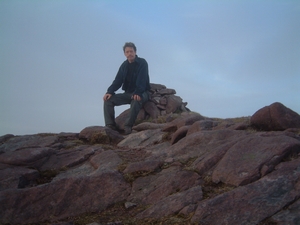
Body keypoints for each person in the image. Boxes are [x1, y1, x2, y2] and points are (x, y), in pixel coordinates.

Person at [103, 42, 151, 135]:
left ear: (135, 52)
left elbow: (142, 79)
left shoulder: (142, 63)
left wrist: (138, 92)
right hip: (128, 93)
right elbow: (118, 80)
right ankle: (111, 126)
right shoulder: (124, 65)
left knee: (136, 100)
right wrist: (110, 91)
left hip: (143, 92)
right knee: (108, 100)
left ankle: (128, 126)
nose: (129, 53)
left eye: (131, 51)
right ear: (124, 54)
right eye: (127, 52)